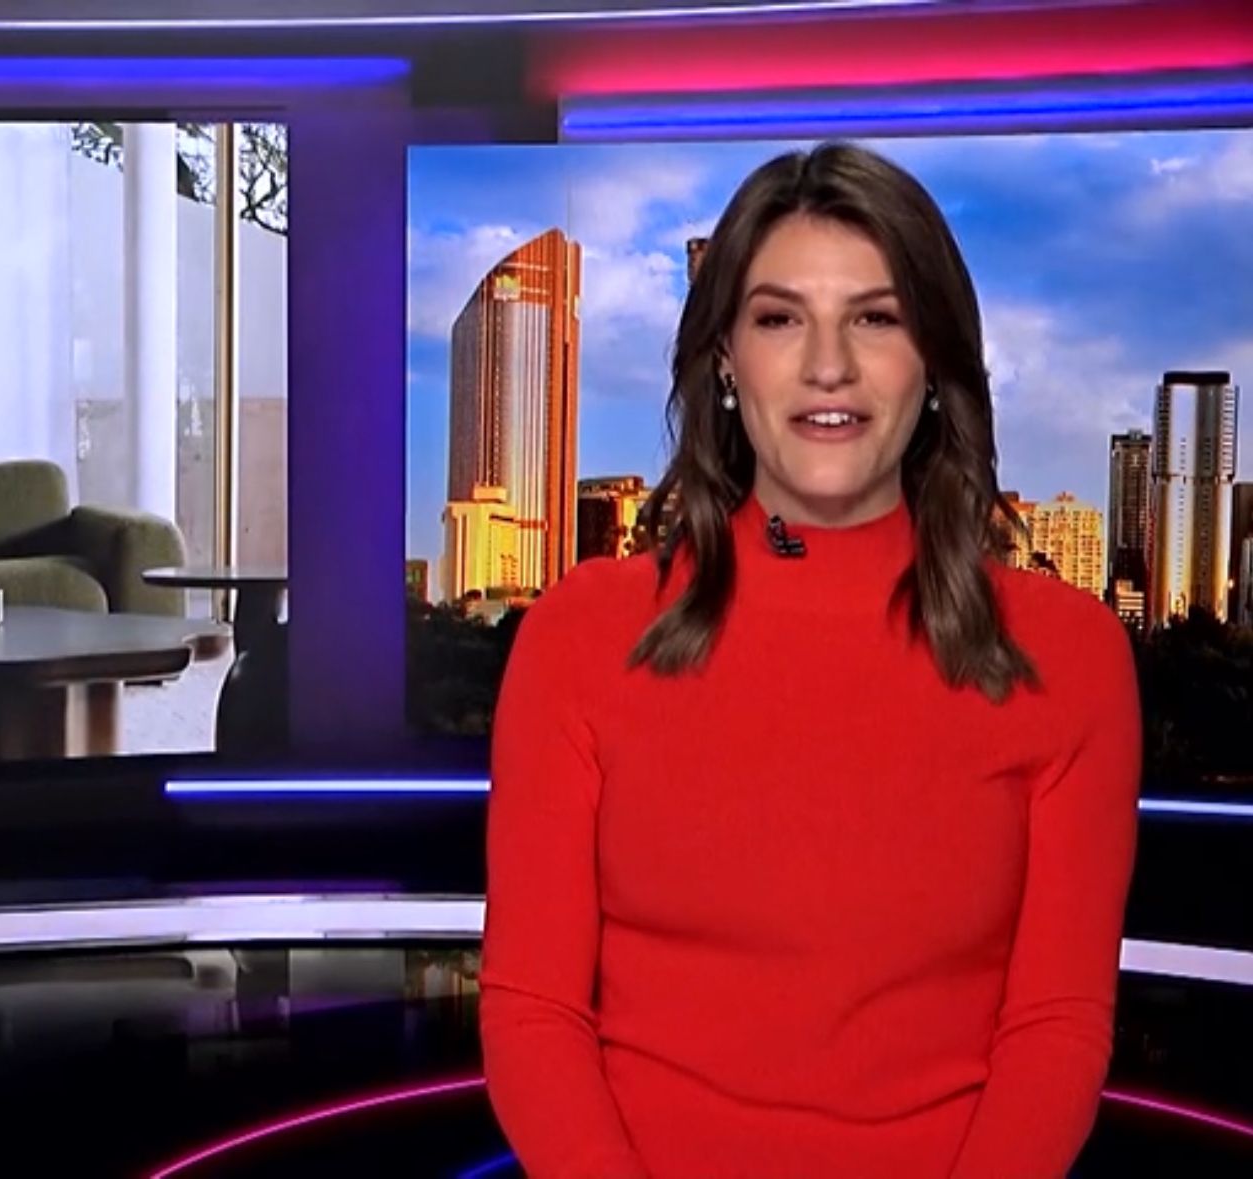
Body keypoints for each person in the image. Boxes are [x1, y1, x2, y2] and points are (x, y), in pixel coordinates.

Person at [480, 142, 1140, 1178]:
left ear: (935, 363)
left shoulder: (1068, 657)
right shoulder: (580, 636)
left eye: (876, 319)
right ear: (724, 361)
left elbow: (1056, 1026)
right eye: (779, 319)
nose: (828, 364)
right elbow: (533, 1010)